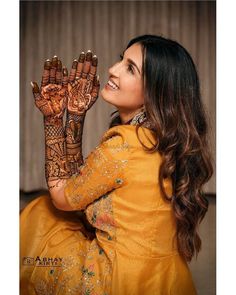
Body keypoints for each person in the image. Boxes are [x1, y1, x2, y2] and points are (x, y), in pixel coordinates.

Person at [20, 34, 213, 295]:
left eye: (130, 68)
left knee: (42, 214)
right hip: (166, 279)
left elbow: (64, 197)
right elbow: (83, 187)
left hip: (116, 280)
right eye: (121, 60)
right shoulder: (168, 142)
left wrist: (54, 120)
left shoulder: (124, 146)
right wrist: (76, 116)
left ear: (155, 92)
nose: (113, 69)